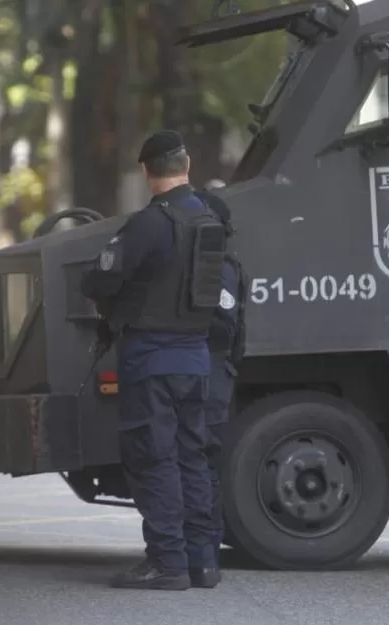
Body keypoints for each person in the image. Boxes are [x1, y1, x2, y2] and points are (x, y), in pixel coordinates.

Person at [80, 129, 224, 591]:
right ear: (188, 165)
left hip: (151, 358)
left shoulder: (149, 224)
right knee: (193, 458)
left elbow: (100, 281)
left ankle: (167, 563)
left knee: (154, 458)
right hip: (197, 356)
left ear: (146, 171)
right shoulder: (209, 218)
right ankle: (203, 562)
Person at [194, 183, 247, 565]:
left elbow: (222, 324)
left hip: (210, 369)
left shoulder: (220, 269)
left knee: (198, 461)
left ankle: (203, 554)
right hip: (212, 369)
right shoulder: (220, 265)